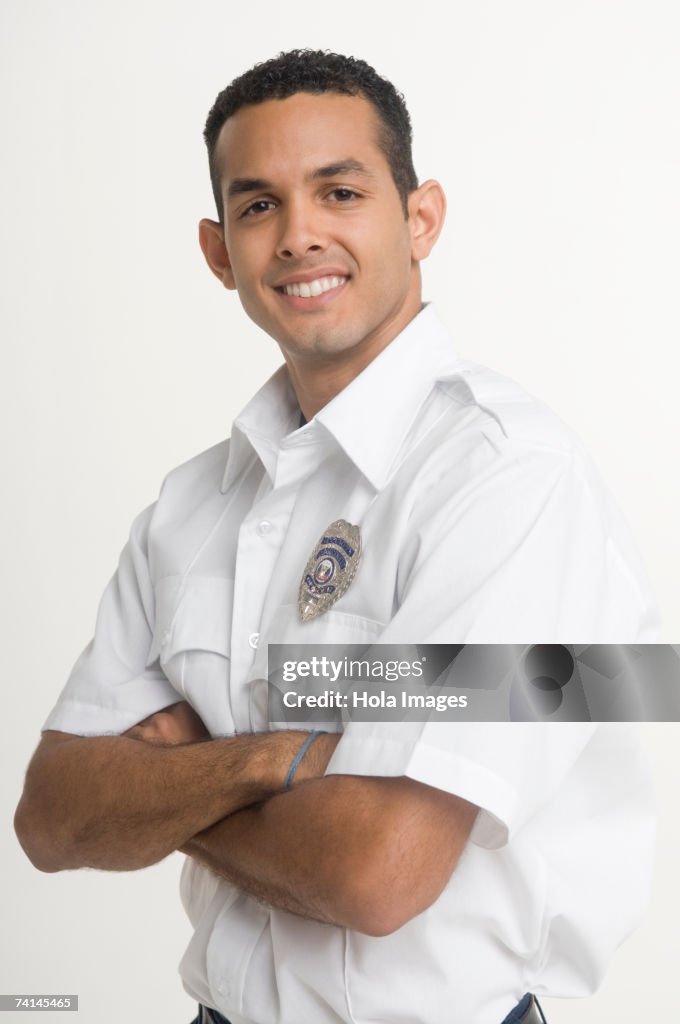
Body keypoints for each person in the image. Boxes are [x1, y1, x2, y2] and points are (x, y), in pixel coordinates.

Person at [14, 49, 658, 1024]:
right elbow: (54, 815)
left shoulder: (505, 478)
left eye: (340, 190)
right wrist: (254, 760)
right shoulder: (190, 505)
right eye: (258, 204)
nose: (299, 234)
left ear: (420, 217)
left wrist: (163, 785)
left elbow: (377, 872)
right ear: (217, 248)